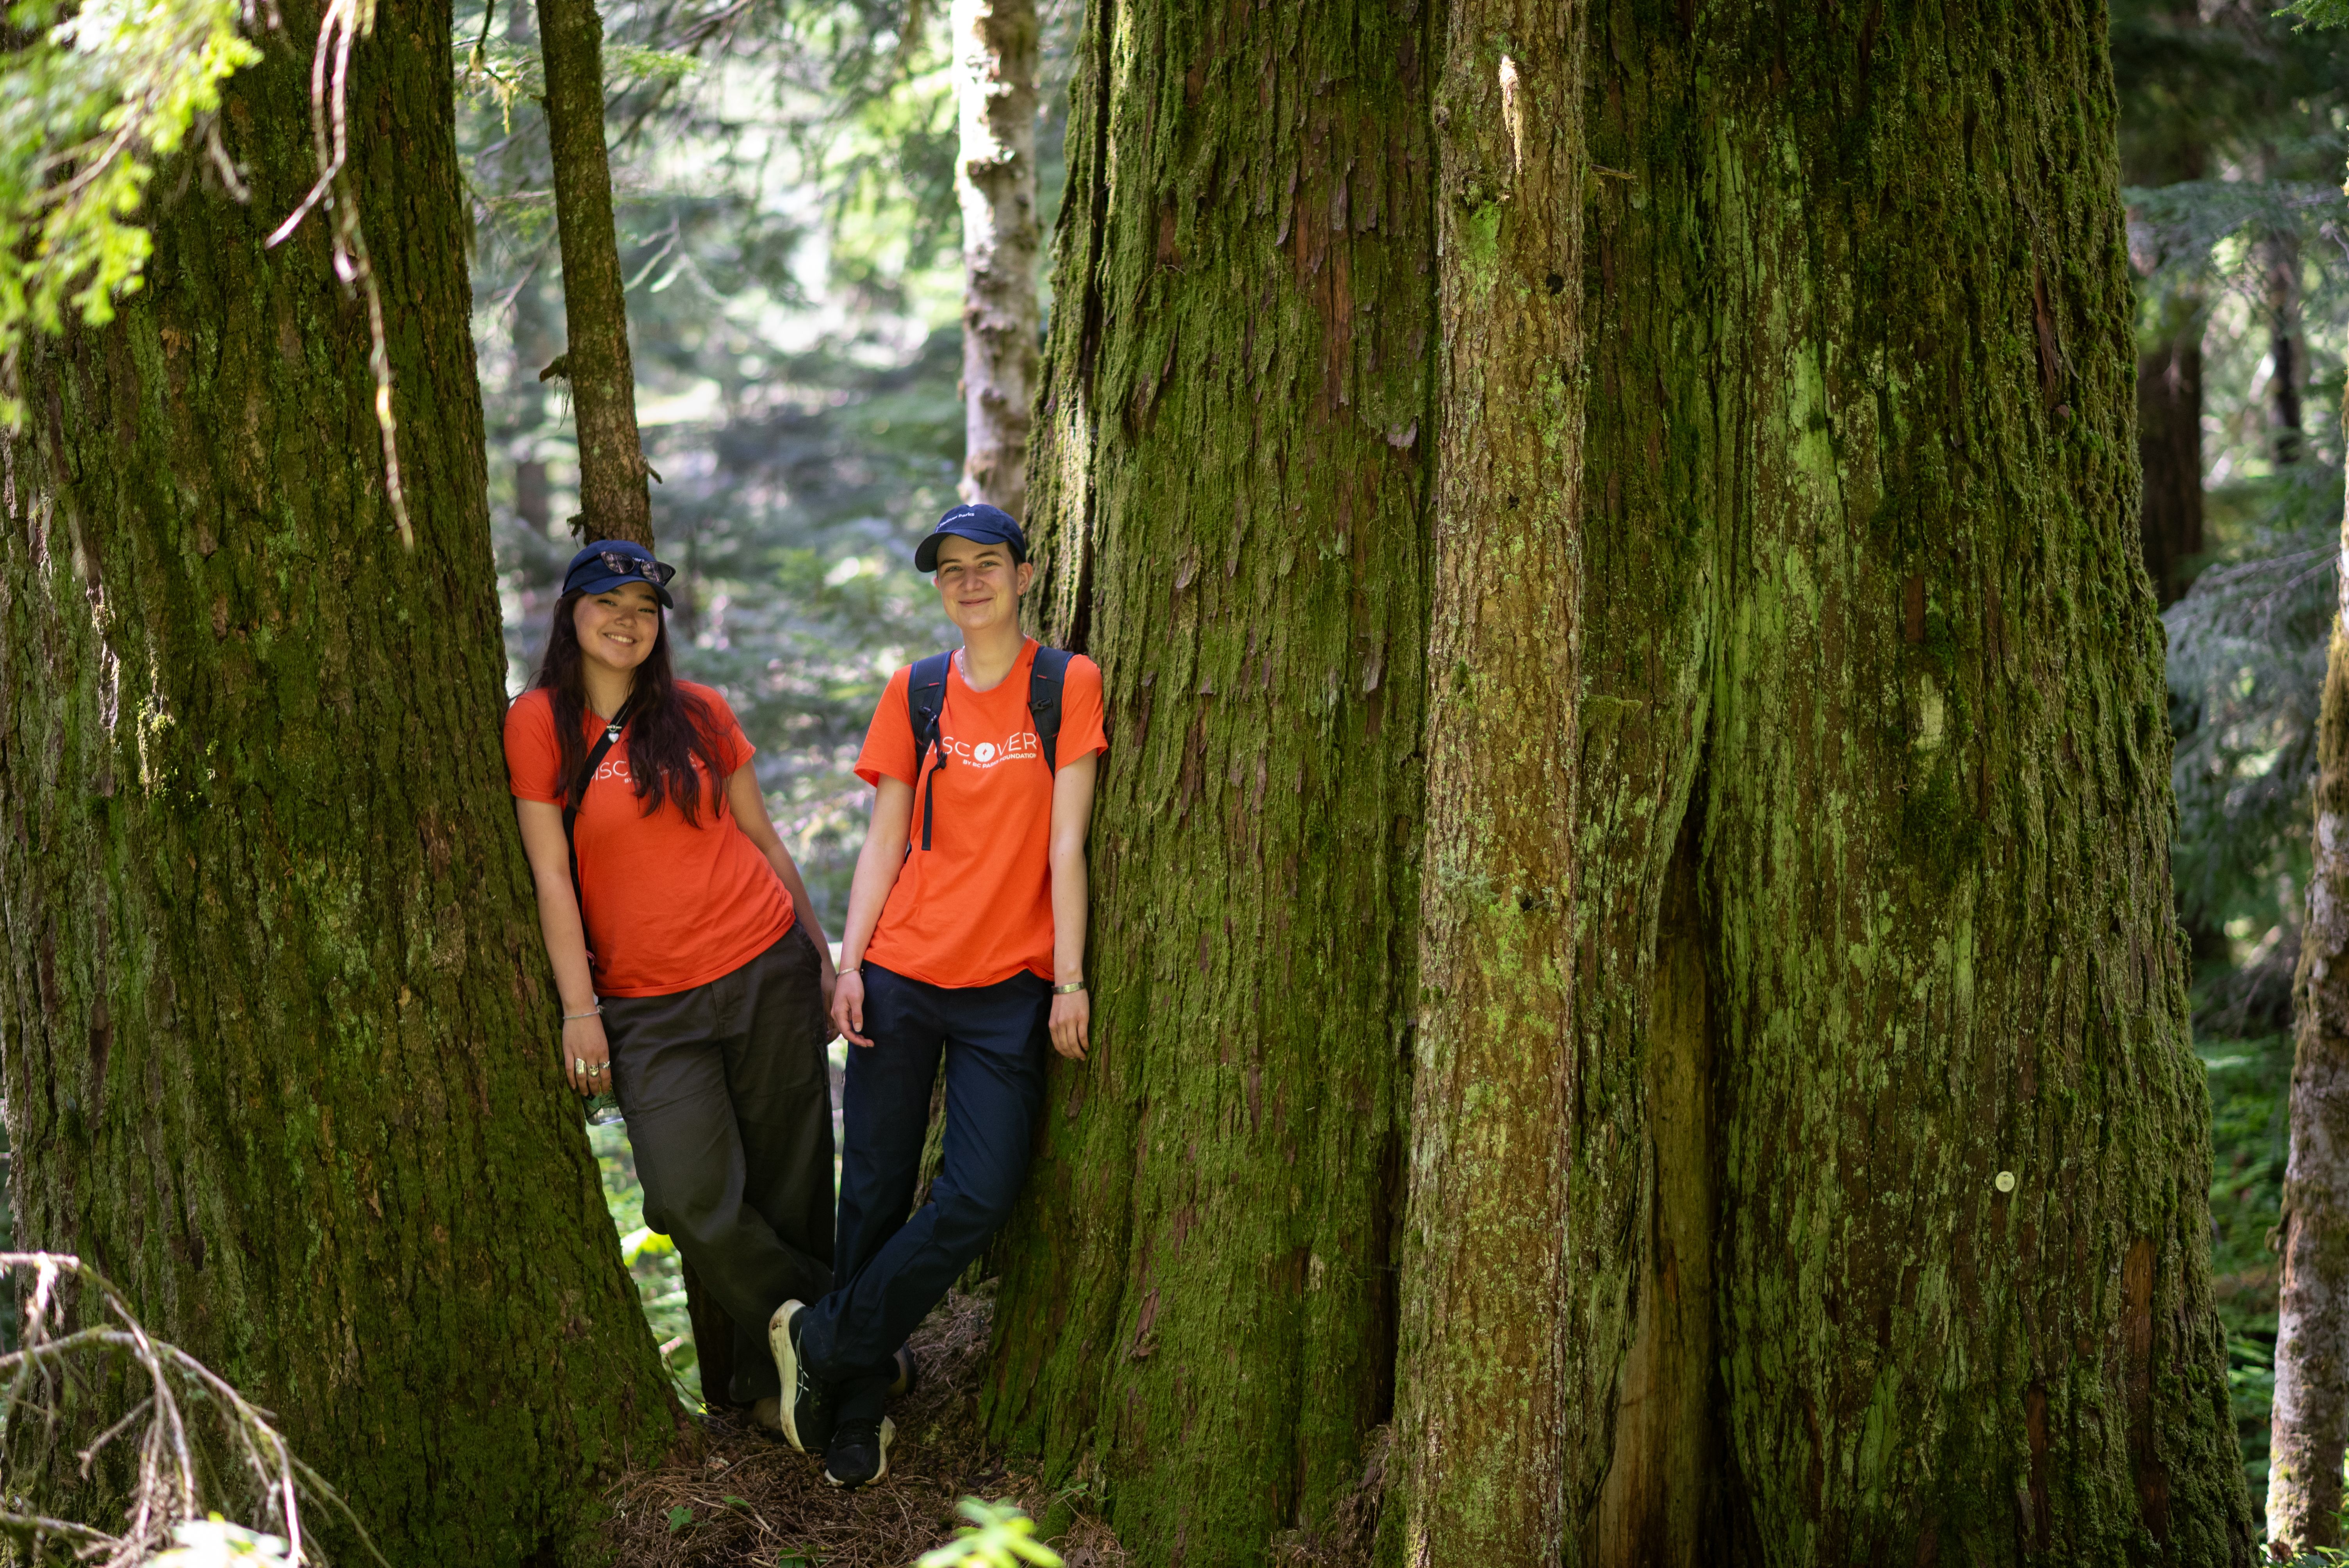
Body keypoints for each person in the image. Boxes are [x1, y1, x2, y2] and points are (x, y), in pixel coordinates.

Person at [769, 503, 1105, 1488]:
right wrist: (849, 963)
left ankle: (824, 1343)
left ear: (1023, 574)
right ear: (938, 586)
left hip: (1011, 987)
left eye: (986, 563)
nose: (969, 581)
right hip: (903, 974)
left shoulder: (1063, 684)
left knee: (978, 1191)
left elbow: (1065, 844)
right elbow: (884, 839)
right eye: (950, 568)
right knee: (871, 1187)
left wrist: (1070, 979)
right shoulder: (915, 693)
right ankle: (857, 1409)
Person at [504, 539, 838, 1423]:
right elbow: (550, 877)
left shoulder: (699, 712)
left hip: (765, 965)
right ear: (570, 616)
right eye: (607, 602)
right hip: (648, 1008)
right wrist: (580, 1009)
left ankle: (774, 1391)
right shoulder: (538, 722)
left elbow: (763, 841)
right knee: (688, 1197)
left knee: (793, 1186)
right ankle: (846, 1341)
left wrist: (821, 956)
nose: (628, 620)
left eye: (645, 609)